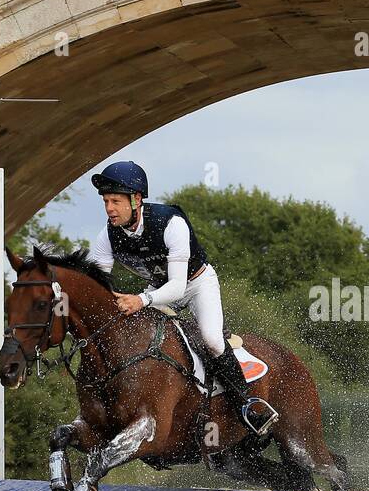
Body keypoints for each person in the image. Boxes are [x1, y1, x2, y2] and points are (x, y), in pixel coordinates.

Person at [85, 160, 279, 436]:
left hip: (195, 284)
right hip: (158, 289)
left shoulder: (170, 223)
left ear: (136, 199)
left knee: (211, 340)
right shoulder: (107, 235)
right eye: (105, 201)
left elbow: (177, 287)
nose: (109, 209)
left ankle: (248, 405)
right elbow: (97, 285)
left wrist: (140, 300)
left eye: (115, 201)